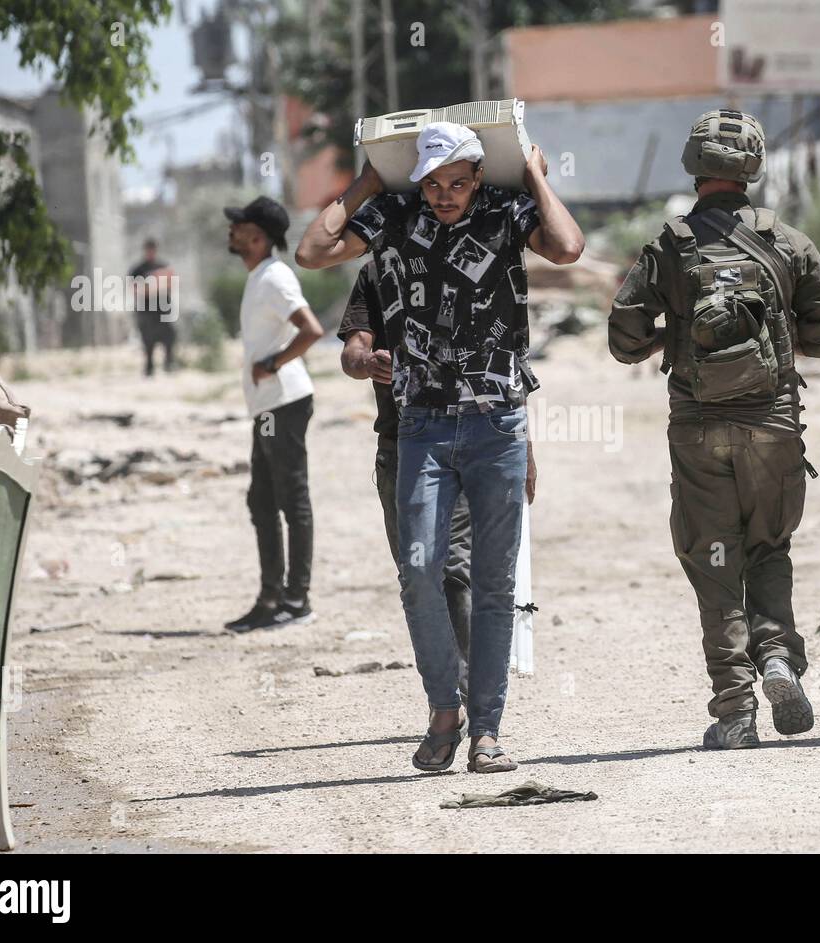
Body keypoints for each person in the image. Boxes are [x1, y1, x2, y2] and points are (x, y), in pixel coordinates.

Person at [296, 122, 581, 772]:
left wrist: (535, 173)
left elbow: (567, 246)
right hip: (421, 426)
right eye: (434, 183)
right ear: (418, 182)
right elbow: (312, 251)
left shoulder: (508, 213)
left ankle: (486, 730)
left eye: (457, 182)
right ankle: (442, 711)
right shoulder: (396, 216)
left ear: (478, 177)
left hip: (496, 426)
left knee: (491, 582)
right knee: (419, 570)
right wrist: (369, 178)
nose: (445, 195)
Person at [608, 110, 820, 750]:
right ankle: (776, 657)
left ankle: (736, 710)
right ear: (753, 168)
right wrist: (774, 333)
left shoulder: (669, 245)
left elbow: (623, 340)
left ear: (693, 165)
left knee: (714, 561)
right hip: (772, 425)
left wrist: (675, 334)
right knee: (769, 548)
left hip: (697, 429)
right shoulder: (788, 242)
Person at [338, 260, 476, 701]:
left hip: (466, 439)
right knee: (417, 577)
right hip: (400, 447)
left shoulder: (469, 261)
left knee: (456, 569)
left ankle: (472, 699)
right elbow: (353, 352)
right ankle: (446, 694)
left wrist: (523, 448)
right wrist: (366, 362)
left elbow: (510, 360)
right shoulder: (378, 272)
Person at [222, 196, 326, 633]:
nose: (232, 234)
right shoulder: (258, 276)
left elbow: (312, 330)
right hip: (268, 406)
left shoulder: (275, 278)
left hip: (284, 402)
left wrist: (274, 363)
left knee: (291, 499)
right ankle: (270, 598)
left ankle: (297, 599)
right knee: (262, 501)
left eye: (240, 228)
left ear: (259, 237)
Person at [129, 238, 176, 376]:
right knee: (148, 340)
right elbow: (135, 288)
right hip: (146, 310)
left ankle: (169, 363)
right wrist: (153, 286)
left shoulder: (163, 265)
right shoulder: (138, 269)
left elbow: (170, 283)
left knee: (169, 337)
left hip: (162, 309)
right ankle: (149, 367)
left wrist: (153, 284)